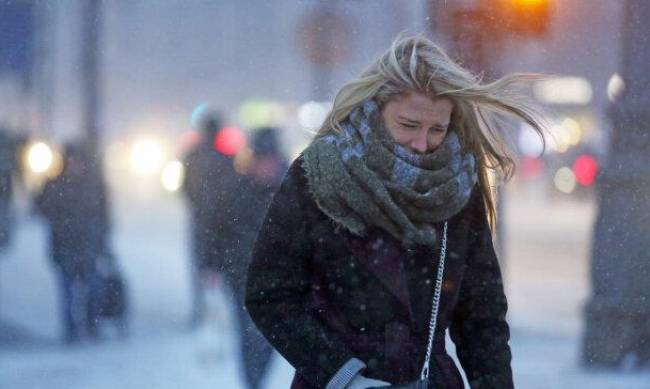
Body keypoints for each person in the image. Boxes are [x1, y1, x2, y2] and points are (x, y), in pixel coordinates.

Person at [245, 35, 546, 389]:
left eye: (437, 129)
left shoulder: (458, 184)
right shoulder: (321, 173)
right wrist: (345, 376)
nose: (422, 144)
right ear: (376, 109)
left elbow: (481, 315)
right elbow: (269, 295)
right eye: (408, 125)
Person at [223, 127, 288, 389]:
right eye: (261, 161)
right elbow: (219, 231)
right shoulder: (237, 191)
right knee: (249, 335)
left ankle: (256, 379)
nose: (265, 168)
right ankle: (253, 382)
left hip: (279, 280)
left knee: (270, 337)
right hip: (243, 278)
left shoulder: (291, 191)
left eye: (269, 161)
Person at [35, 142, 111, 344]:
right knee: (67, 291)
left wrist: (103, 241)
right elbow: (41, 209)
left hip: (87, 245)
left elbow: (103, 216)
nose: (74, 165)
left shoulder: (91, 186)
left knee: (92, 288)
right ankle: (71, 330)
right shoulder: (56, 185)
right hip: (65, 246)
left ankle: (91, 326)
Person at [182, 111, 242, 326]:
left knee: (202, 264)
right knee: (224, 264)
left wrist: (198, 206)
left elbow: (185, 189)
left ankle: (202, 309)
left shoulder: (192, 157)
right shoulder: (228, 159)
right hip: (223, 219)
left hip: (201, 219)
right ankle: (224, 310)